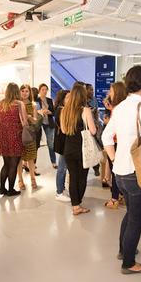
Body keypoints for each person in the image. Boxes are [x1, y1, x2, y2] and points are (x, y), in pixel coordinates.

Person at [102, 65, 141, 274]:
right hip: (138, 172)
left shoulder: (119, 107)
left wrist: (114, 158)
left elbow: (105, 137)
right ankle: (128, 263)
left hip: (120, 172)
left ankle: (123, 250)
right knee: (137, 220)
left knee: (131, 214)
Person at [60, 84, 96, 215]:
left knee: (73, 176)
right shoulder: (85, 110)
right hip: (83, 149)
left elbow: (64, 130)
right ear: (83, 96)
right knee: (82, 177)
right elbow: (93, 130)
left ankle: (75, 206)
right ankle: (78, 203)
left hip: (68, 149)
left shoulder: (64, 111)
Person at [0, 83, 26, 197]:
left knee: (6, 164)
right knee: (14, 164)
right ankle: (11, 190)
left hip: (3, 134)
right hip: (16, 134)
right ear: (17, 91)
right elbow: (24, 122)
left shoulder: (0, 104)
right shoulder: (19, 104)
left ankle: (2, 188)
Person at [103, 82, 127, 210]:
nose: (109, 93)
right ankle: (120, 195)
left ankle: (115, 198)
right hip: (117, 143)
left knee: (115, 172)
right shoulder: (120, 107)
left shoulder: (118, 109)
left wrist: (108, 122)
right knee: (116, 172)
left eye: (111, 91)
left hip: (116, 143)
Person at [17, 84, 38, 190]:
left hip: (29, 134)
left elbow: (35, 120)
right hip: (18, 134)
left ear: (30, 93)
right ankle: (20, 180)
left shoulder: (33, 105)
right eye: (23, 91)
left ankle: (33, 179)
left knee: (30, 157)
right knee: (19, 158)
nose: (25, 93)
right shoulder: (16, 104)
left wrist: (29, 118)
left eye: (27, 91)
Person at [53, 89, 70, 202]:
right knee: (62, 168)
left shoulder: (61, 109)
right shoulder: (61, 110)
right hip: (63, 142)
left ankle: (61, 188)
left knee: (63, 167)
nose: (70, 99)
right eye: (68, 97)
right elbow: (64, 129)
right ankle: (59, 192)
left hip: (62, 142)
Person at [35, 83, 57, 168]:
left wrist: (49, 112)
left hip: (49, 123)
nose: (44, 91)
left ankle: (53, 162)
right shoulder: (36, 100)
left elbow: (54, 112)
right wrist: (40, 111)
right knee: (36, 143)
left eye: (46, 89)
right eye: (42, 90)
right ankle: (33, 163)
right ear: (39, 91)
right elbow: (35, 111)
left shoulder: (50, 100)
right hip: (39, 123)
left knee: (50, 143)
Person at [86, 83, 101, 176]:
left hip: (93, 126)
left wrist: (97, 123)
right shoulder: (82, 101)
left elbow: (96, 112)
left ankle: (96, 167)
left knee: (95, 147)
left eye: (93, 89)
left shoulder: (94, 99)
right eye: (90, 89)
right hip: (84, 127)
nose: (92, 91)